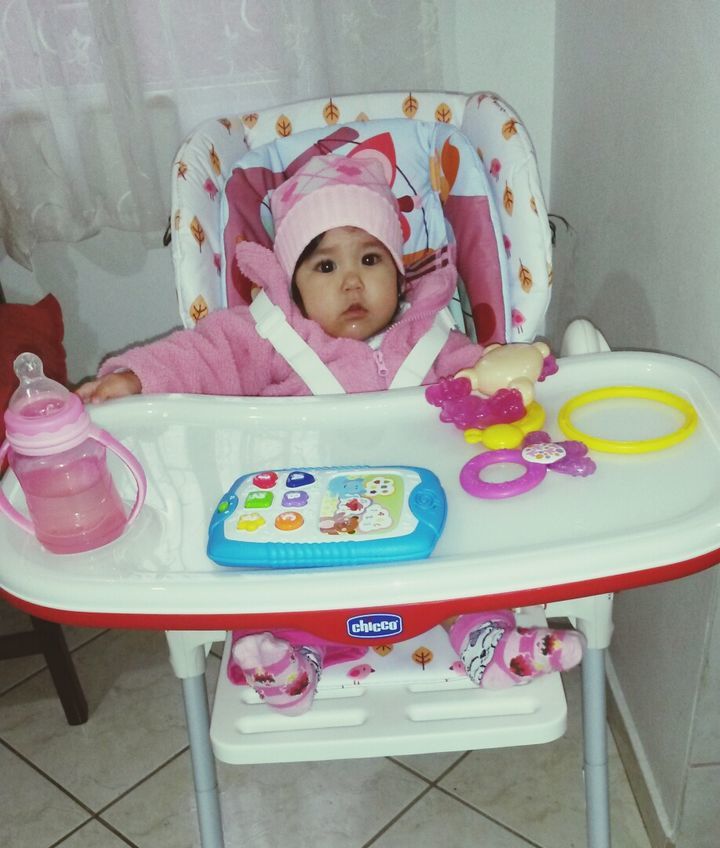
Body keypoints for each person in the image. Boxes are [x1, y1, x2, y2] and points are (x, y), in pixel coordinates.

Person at [78, 152, 583, 713]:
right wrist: (136, 378)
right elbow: (202, 356)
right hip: (305, 532)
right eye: (324, 267)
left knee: (474, 578)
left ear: (397, 271)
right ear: (291, 283)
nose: (351, 282)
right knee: (269, 596)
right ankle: (285, 668)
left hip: (420, 528)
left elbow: (483, 386)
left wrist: (507, 381)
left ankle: (494, 648)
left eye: (370, 258)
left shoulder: (432, 339)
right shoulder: (268, 338)